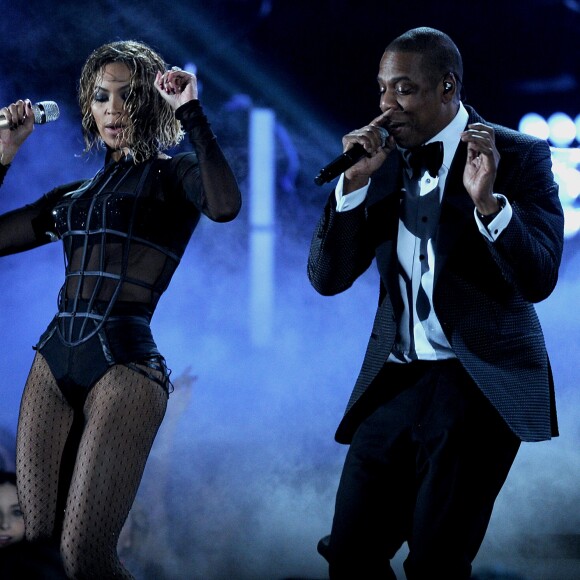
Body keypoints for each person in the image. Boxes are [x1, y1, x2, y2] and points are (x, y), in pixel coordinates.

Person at [307, 26, 564, 579]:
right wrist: (351, 185)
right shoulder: (378, 161)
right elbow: (327, 279)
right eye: (381, 89)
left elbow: (539, 278)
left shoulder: (516, 155)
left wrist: (489, 204)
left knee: (436, 564)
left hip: (477, 380)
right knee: (350, 554)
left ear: (447, 87)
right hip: (396, 380)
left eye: (404, 89)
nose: (386, 106)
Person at [0, 39, 241, 578]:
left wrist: (191, 111)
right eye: (102, 97)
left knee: (84, 558)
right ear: (88, 106)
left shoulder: (173, 177)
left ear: (150, 102)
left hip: (126, 366)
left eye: (127, 96)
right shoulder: (72, 194)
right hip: (51, 363)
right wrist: (4, 154)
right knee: (36, 554)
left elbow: (225, 206)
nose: (114, 110)